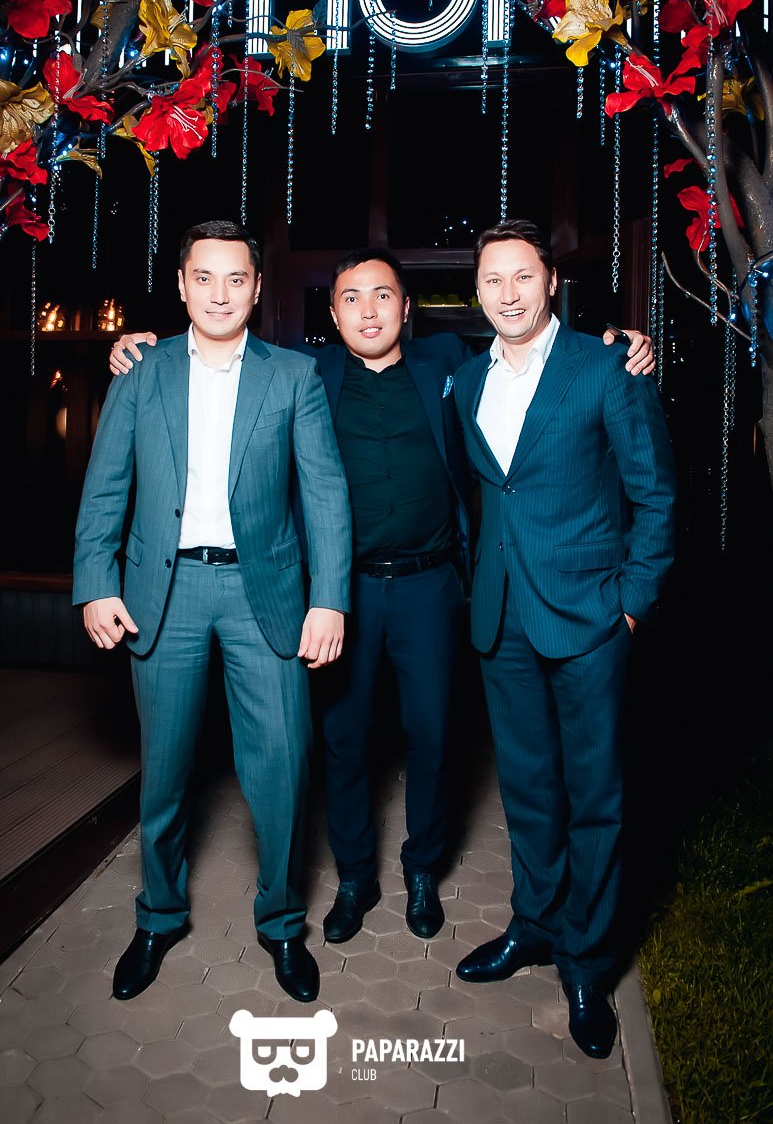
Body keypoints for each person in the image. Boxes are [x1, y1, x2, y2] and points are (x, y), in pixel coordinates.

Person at [109, 247, 654, 948]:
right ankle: (355, 877)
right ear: (333, 316)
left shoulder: (449, 366)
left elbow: (534, 356)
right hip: (343, 594)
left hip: (432, 587)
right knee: (343, 741)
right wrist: (134, 344)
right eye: (351, 299)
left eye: (382, 296)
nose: (368, 311)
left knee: (434, 736)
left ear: (407, 307)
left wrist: (620, 338)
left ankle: (422, 870)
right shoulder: (305, 373)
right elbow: (221, 352)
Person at [73, 220, 351, 1004]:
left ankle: (282, 924)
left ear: (257, 289)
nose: (219, 294)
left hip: (267, 596)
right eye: (204, 277)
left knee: (282, 771)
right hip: (164, 594)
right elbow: (105, 485)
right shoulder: (141, 371)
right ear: (181, 284)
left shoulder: (293, 377)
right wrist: (96, 582)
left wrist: (329, 599)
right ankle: (158, 917)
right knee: (164, 773)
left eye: (235, 279)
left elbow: (325, 495)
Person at [453, 219, 676, 1060]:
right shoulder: (465, 380)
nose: (507, 293)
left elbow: (655, 496)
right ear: (476, 291)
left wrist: (630, 604)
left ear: (550, 282)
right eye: (492, 279)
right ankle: (535, 925)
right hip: (502, 618)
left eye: (522, 276)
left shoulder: (606, 367)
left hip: (589, 618)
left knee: (594, 796)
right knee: (528, 789)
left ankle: (586, 961)